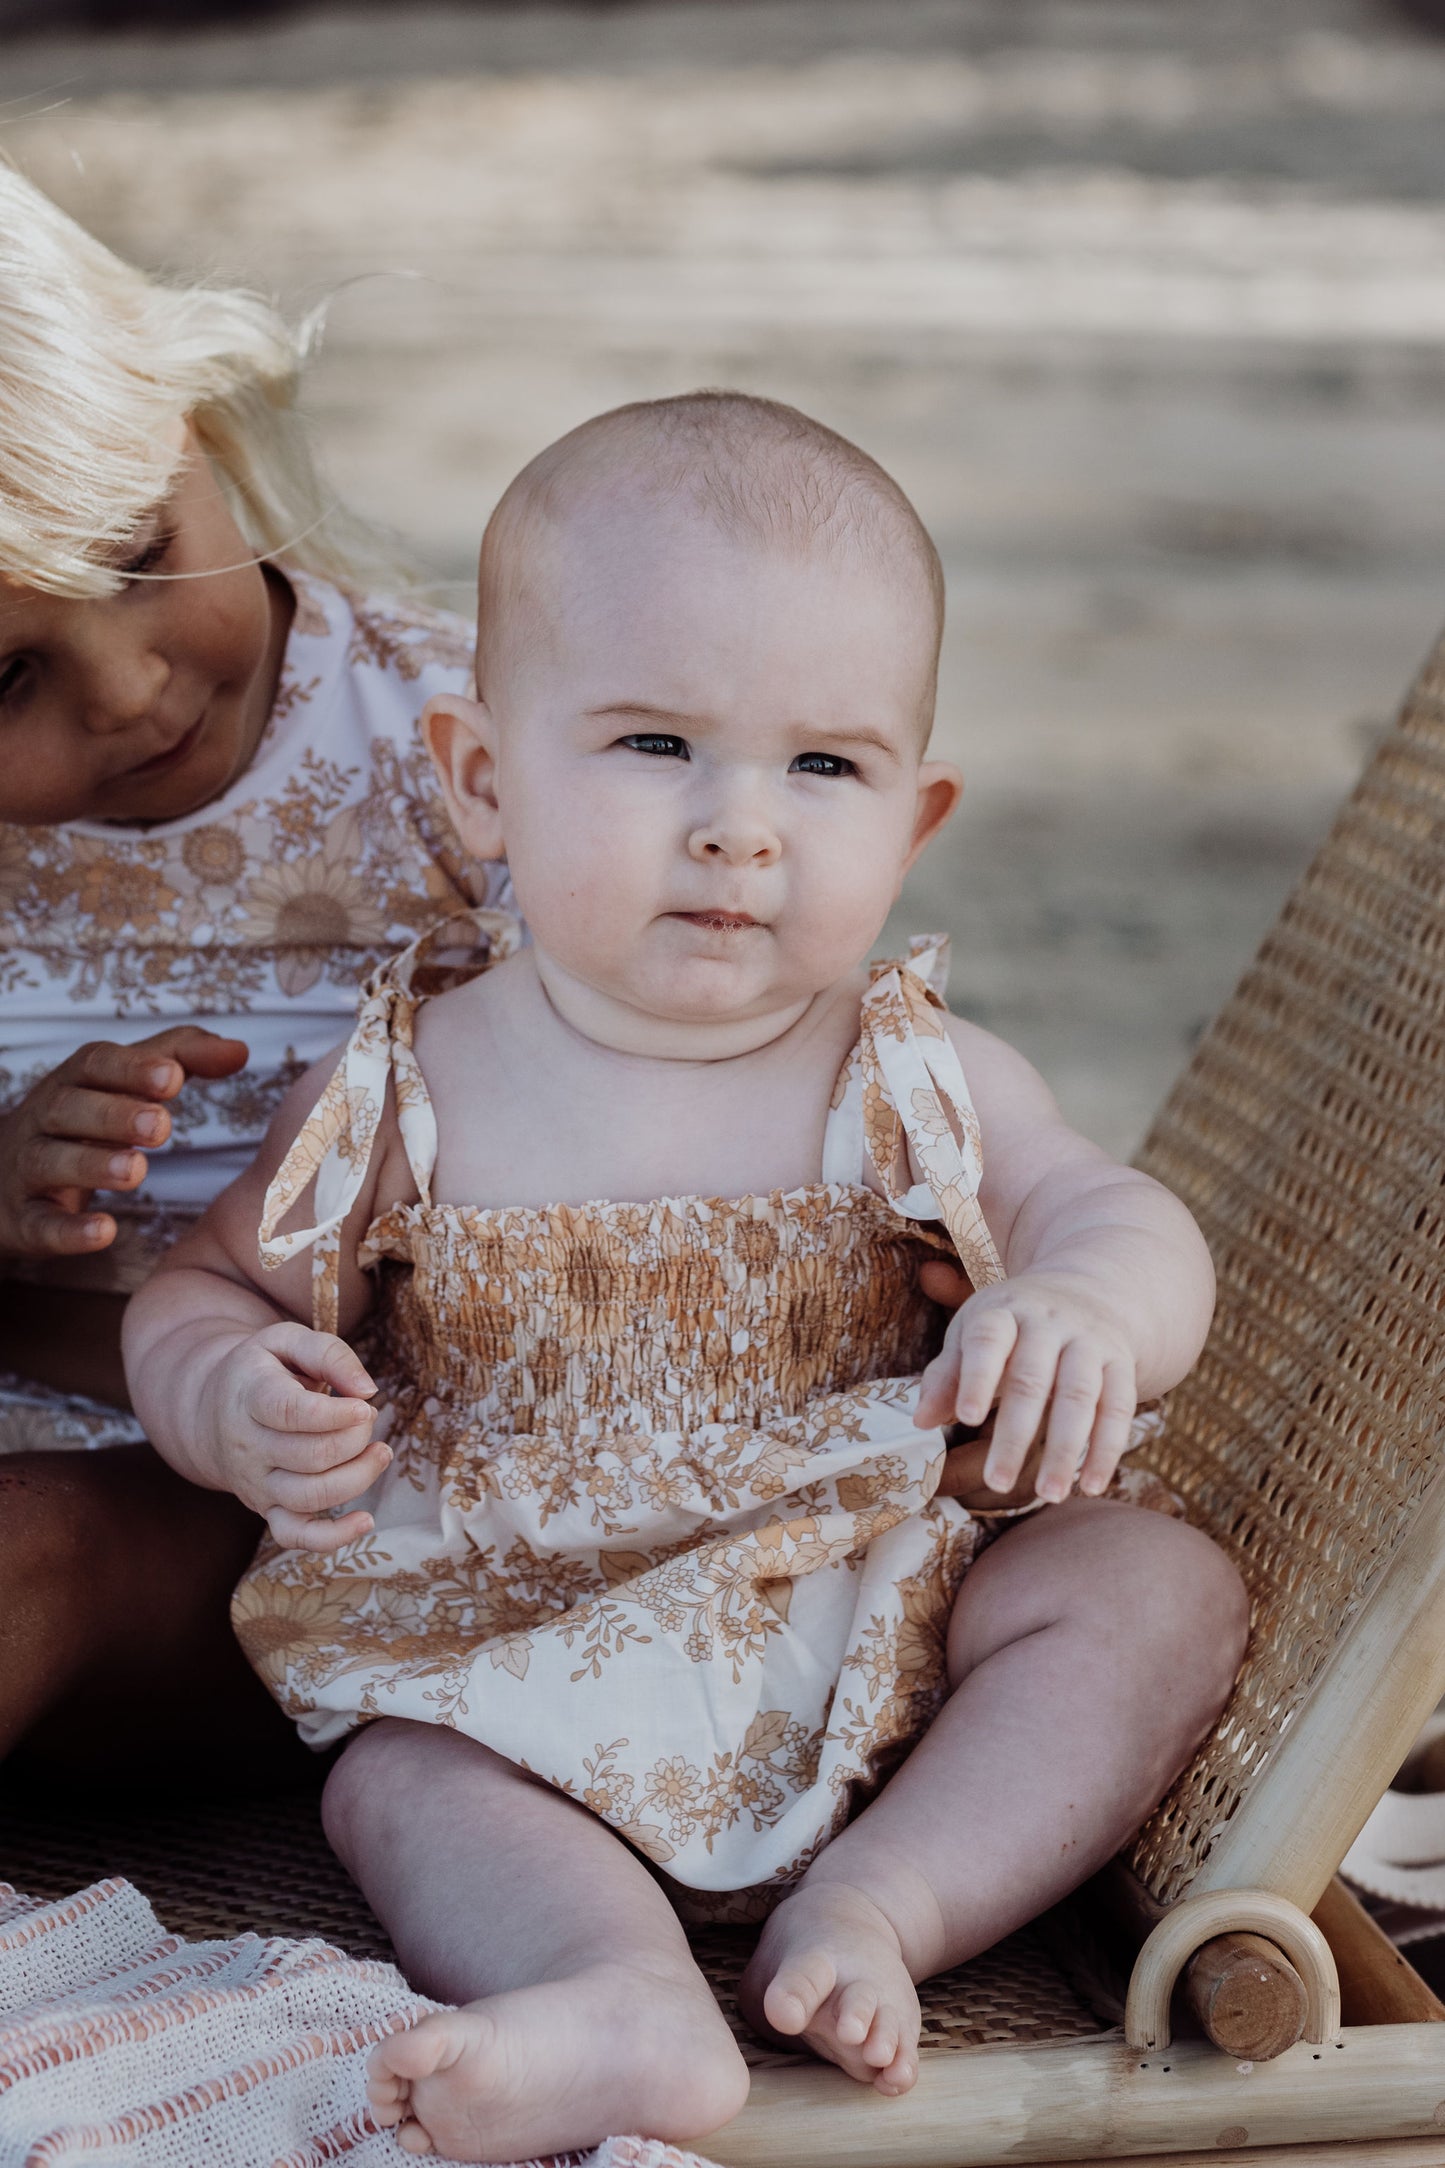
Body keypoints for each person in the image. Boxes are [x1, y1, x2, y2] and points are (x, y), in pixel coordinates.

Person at [125, 392, 1249, 2162]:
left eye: (823, 766)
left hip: (883, 1623)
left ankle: (890, 1902)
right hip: (519, 1658)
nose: (741, 826)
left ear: (915, 816)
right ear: (484, 779)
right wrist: (226, 1397)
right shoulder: (413, 1087)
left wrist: (1087, 1304)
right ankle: (616, 1996)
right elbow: (201, 1292)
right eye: (656, 745)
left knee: (1150, 1586)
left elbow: (1123, 1215)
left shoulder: (909, 1071)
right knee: (393, 1778)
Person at [0, 159, 508, 1778]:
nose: (131, 684)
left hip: (321, 1497)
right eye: (8, 675)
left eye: (142, 554)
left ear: (199, 423)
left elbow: (686, 1042)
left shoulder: (459, 750)